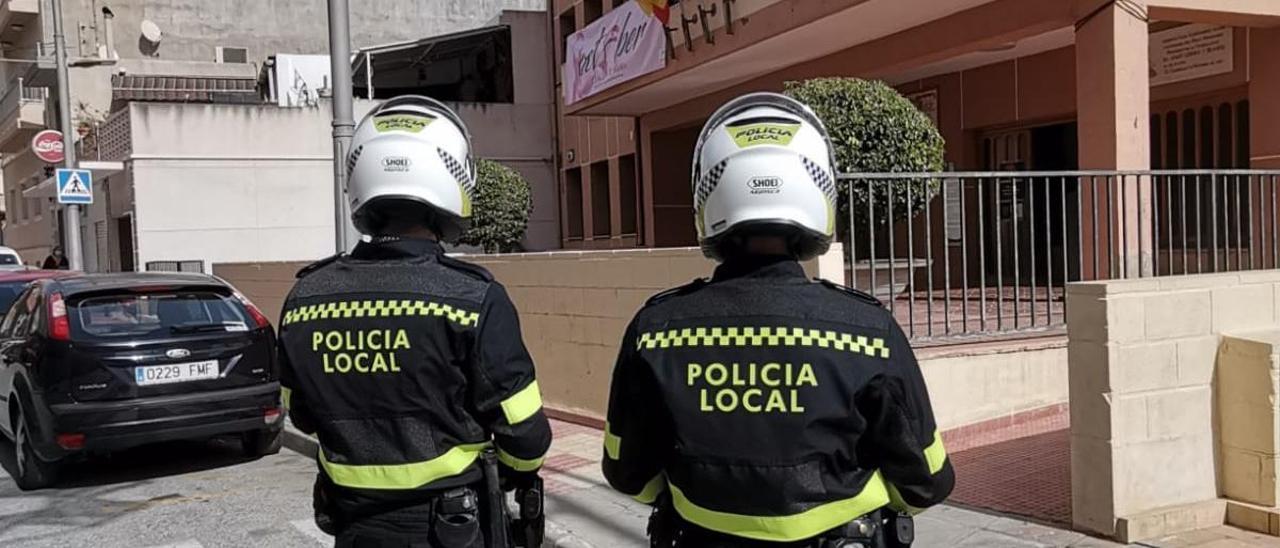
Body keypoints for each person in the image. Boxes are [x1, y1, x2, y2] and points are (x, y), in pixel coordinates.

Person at [602, 93, 954, 548]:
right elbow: (926, 482)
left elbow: (628, 473)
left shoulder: (656, 331)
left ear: (708, 195)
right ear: (818, 190)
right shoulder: (868, 330)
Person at [278, 96, 551, 548]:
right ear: (451, 175)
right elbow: (525, 434)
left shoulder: (305, 297)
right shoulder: (472, 297)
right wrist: (515, 474)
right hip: (452, 528)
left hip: (353, 526)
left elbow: (301, 414)